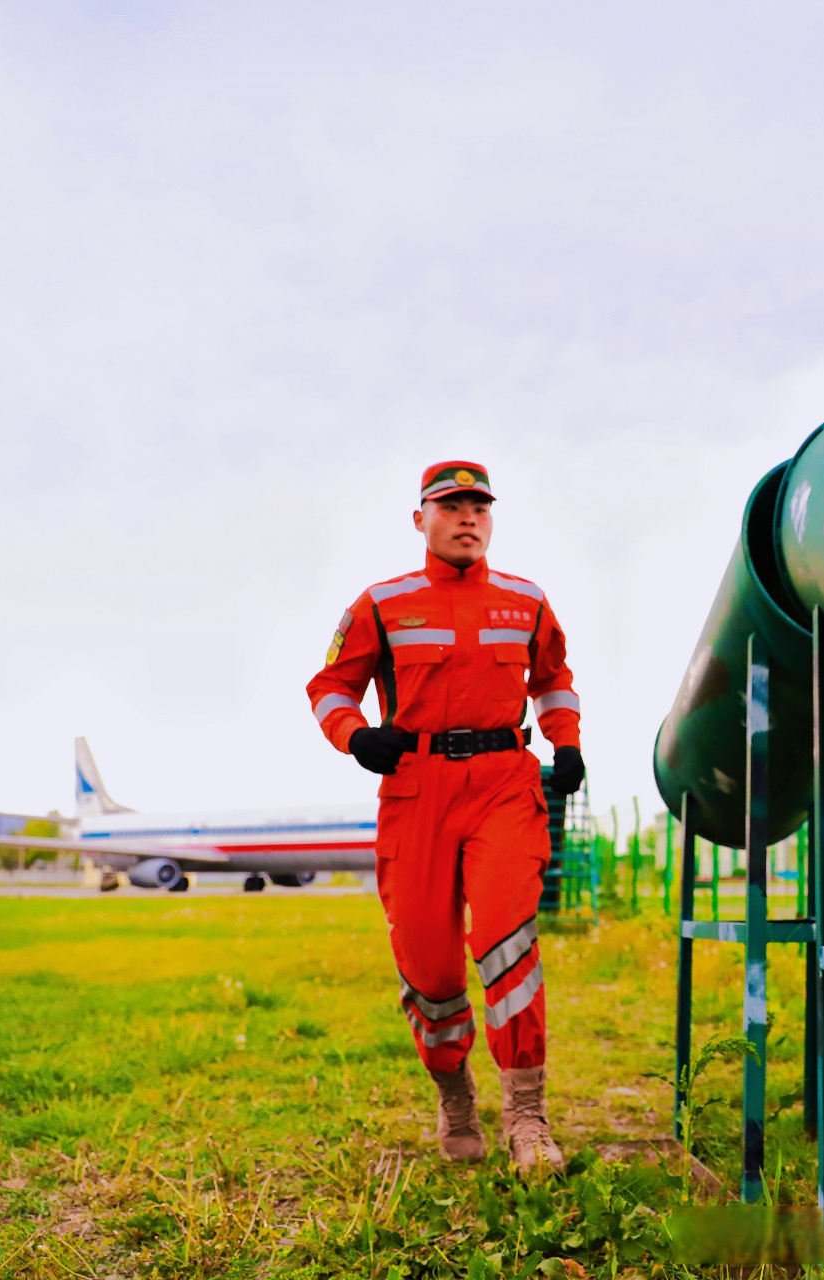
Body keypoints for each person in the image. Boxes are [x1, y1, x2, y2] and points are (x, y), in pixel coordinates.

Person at [307, 461, 585, 1173]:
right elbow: (331, 685)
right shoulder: (382, 603)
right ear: (420, 519)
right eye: (451, 505)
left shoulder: (526, 601)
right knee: (431, 968)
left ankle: (527, 1116)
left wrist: (568, 744)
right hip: (416, 793)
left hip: (504, 786)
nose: (468, 518)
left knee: (506, 942)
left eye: (479, 508)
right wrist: (355, 734)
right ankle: (455, 1096)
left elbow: (553, 678)